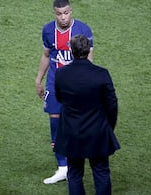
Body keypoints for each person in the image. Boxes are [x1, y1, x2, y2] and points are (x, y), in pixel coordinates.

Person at [35, 0, 94, 184]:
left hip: (76, 84)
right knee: (55, 121)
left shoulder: (83, 30)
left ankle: (76, 163)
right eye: (59, 13)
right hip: (55, 83)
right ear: (54, 13)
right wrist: (39, 79)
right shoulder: (47, 30)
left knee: (77, 124)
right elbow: (46, 55)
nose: (63, 17)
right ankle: (62, 167)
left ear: (71, 11)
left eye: (66, 12)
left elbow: (89, 60)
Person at [54, 34, 120, 195]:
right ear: (89, 50)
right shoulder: (101, 74)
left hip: (72, 131)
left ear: (71, 50)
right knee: (101, 171)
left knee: (75, 173)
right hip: (97, 131)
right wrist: (108, 126)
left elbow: (59, 98)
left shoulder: (61, 74)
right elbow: (112, 105)